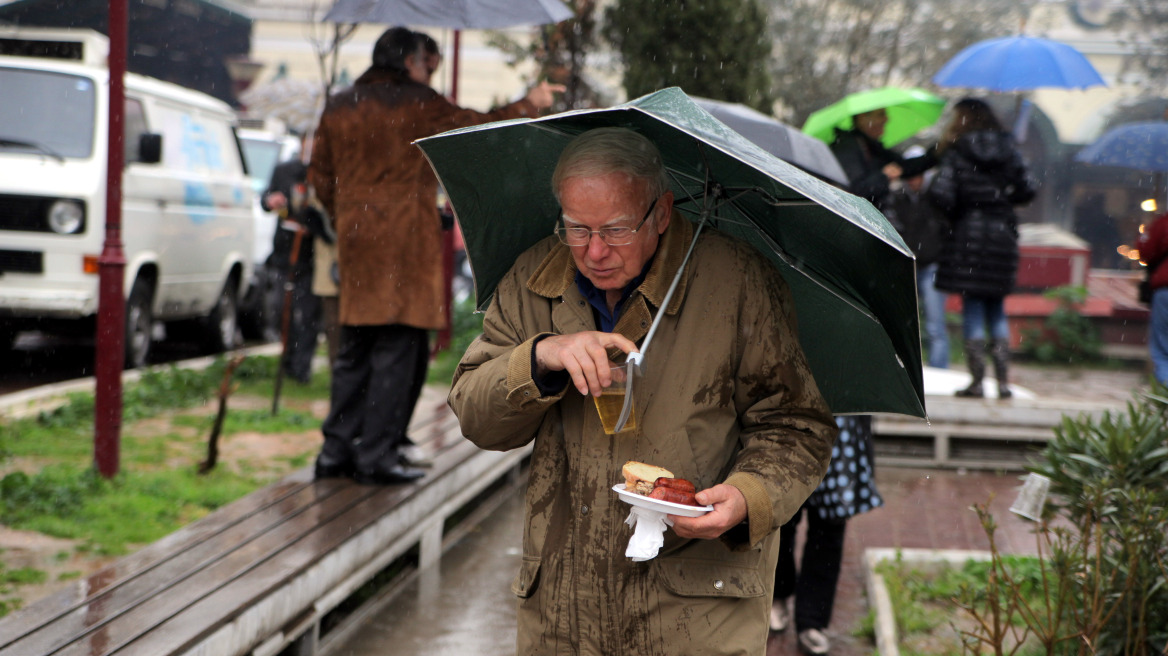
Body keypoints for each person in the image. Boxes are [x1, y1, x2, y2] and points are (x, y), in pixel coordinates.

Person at [447, 127, 838, 655]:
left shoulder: (737, 282)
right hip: (562, 609)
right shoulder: (533, 280)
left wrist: (749, 496)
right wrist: (539, 357)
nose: (595, 251)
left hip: (693, 614)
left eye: (616, 230)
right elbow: (475, 415)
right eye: (577, 229)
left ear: (661, 212)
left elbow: (796, 426)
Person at [308, 27, 564, 485]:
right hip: (406, 246)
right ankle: (377, 455)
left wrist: (348, 216)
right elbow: (479, 128)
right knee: (399, 350)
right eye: (429, 62)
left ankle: (335, 450)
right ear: (410, 61)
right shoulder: (420, 103)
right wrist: (530, 102)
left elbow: (320, 177)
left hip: (357, 244)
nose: (432, 70)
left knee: (354, 350)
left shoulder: (340, 104)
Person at [928, 98, 1036, 399]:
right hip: (1002, 235)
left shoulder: (957, 151)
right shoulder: (1009, 149)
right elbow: (1028, 188)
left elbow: (939, 193)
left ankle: (977, 381)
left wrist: (958, 212)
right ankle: (1002, 382)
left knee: (973, 306)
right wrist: (1003, 200)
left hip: (968, 235)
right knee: (996, 307)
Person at [770, 415, 882, 654]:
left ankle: (813, 620)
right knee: (781, 523)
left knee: (829, 530)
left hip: (840, 438)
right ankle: (777, 594)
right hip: (790, 429)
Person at [261, 133, 326, 384]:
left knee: (308, 314)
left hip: (310, 255)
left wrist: (313, 224)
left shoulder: (323, 173)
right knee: (281, 309)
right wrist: (270, 201)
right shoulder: (284, 170)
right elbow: (266, 198)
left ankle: (302, 368)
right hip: (284, 252)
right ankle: (288, 360)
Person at [886, 159, 949, 369]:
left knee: (934, 324)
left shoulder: (934, 198)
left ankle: (938, 369)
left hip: (930, 264)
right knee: (908, 322)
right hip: (909, 265)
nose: (913, 181)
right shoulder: (898, 198)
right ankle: (908, 367)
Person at [829, 107, 936, 215]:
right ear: (862, 118)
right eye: (881, 114)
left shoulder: (873, 147)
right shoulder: (848, 147)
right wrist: (884, 176)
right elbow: (853, 191)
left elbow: (904, 167)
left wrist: (938, 151)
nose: (886, 119)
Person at [1136, 211, 1168, 384]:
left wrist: (1147, 229)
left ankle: (1165, 390)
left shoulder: (1163, 222)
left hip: (1165, 289)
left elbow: (1145, 251)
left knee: (1163, 351)